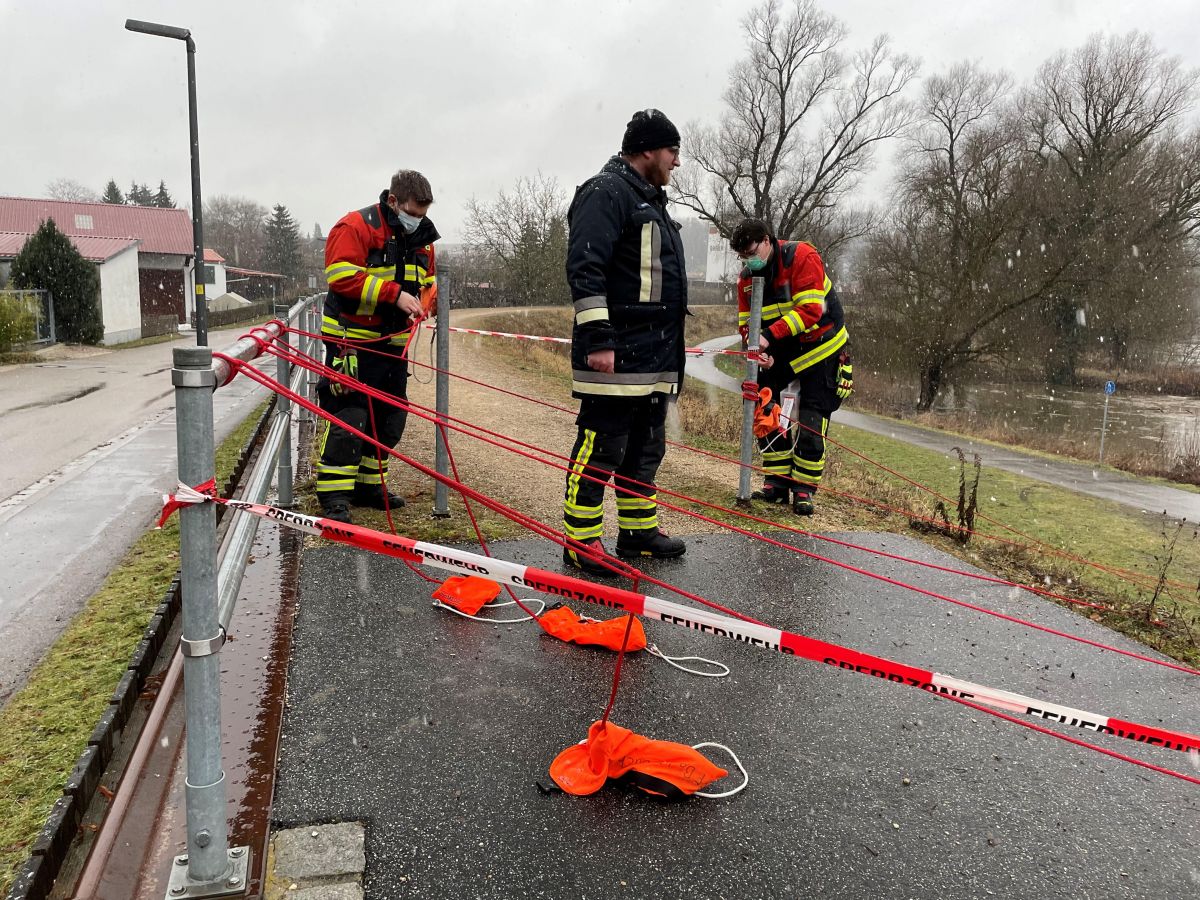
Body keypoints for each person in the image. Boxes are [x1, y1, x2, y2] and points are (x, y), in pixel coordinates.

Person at [561, 109, 689, 575]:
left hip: (654, 356)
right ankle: (580, 541)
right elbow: (586, 268)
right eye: (673, 150)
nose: (677, 161)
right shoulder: (605, 192)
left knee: (645, 447)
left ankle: (637, 534)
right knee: (601, 447)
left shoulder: (650, 199)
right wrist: (599, 338)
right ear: (648, 150)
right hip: (616, 353)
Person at [315, 170, 439, 524]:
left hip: (393, 346)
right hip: (350, 342)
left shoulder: (424, 240)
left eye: (423, 215)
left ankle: (369, 486)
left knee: (389, 418)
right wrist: (395, 295)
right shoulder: (354, 227)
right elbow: (341, 277)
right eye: (412, 214)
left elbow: (427, 280)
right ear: (393, 201)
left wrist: (427, 300)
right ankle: (335, 495)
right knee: (350, 418)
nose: (417, 221)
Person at [730, 218, 853, 516]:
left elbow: (810, 311)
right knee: (766, 410)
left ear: (768, 240)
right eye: (743, 256)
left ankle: (803, 490)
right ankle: (777, 483)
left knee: (811, 417)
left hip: (821, 349)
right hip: (780, 351)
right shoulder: (746, 280)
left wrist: (768, 337)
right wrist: (756, 348)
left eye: (751, 252)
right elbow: (746, 324)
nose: (749, 261)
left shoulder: (802, 257)